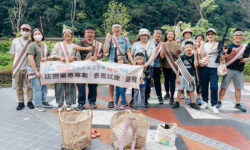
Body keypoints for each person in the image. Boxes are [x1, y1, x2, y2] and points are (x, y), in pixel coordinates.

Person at [51, 28, 86, 111]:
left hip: (70, 69)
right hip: (59, 69)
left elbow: (78, 57)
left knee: (70, 86)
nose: (67, 34)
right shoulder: (58, 45)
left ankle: (69, 104)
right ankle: (60, 104)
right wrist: (59, 57)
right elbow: (53, 55)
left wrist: (74, 58)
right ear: (63, 35)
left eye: (69, 33)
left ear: (71, 35)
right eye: (65, 33)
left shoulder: (75, 46)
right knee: (59, 86)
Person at [217, 28, 249, 112]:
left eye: (240, 35)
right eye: (236, 35)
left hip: (239, 70)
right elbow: (222, 58)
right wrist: (231, 53)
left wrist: (247, 59)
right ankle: (219, 101)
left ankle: (238, 104)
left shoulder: (245, 47)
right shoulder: (229, 46)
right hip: (228, 69)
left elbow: (248, 56)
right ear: (233, 36)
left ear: (243, 36)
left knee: (238, 88)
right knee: (223, 87)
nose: (238, 36)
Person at [103, 22, 134, 108]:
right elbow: (105, 51)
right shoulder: (110, 39)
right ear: (112, 29)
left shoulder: (125, 39)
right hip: (112, 63)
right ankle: (111, 100)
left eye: (118, 27)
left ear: (121, 29)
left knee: (124, 81)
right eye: (115, 27)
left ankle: (123, 99)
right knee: (111, 82)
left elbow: (128, 52)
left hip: (123, 63)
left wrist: (132, 63)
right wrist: (106, 38)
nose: (116, 29)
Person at [75, 26, 104, 110]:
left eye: (92, 32)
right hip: (82, 67)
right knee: (81, 85)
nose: (90, 34)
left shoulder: (97, 44)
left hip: (93, 68)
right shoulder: (81, 42)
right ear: (85, 33)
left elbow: (101, 54)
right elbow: (75, 48)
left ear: (94, 33)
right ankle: (81, 103)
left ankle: (92, 101)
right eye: (88, 32)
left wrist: (97, 57)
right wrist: (87, 48)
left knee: (93, 85)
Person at [26, 28, 52, 112]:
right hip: (35, 69)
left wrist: (47, 59)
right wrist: (36, 71)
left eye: (39, 33)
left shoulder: (45, 46)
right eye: (35, 34)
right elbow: (30, 58)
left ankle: (44, 101)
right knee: (37, 88)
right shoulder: (32, 45)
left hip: (44, 69)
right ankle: (37, 104)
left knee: (44, 87)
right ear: (33, 36)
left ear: (42, 35)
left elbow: (49, 56)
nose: (38, 35)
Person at [10, 24, 34, 111]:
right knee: (18, 86)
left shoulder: (32, 42)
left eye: (27, 30)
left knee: (30, 86)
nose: (25, 31)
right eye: (23, 29)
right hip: (18, 68)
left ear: (30, 32)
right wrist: (17, 65)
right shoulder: (15, 41)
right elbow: (13, 54)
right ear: (20, 30)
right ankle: (20, 102)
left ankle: (30, 101)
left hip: (28, 68)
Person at [131, 28, 158, 107]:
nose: (143, 37)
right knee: (134, 84)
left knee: (147, 84)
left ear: (148, 36)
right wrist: (132, 63)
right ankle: (133, 100)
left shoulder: (152, 44)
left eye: (145, 35)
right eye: (142, 35)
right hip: (137, 68)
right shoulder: (135, 44)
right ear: (139, 36)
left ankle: (145, 100)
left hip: (148, 68)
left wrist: (146, 64)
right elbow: (132, 55)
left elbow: (153, 55)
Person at [199, 28, 222, 113]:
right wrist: (201, 46)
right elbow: (201, 56)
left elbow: (222, 57)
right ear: (206, 36)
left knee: (214, 87)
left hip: (214, 69)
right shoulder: (204, 45)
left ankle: (213, 104)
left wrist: (223, 52)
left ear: (215, 35)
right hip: (204, 67)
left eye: (212, 34)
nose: (210, 35)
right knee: (204, 86)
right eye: (208, 34)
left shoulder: (218, 44)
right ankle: (205, 101)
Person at [172, 41, 200, 110]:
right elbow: (179, 67)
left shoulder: (194, 56)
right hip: (182, 75)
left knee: (191, 90)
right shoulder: (182, 57)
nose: (189, 48)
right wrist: (177, 77)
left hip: (191, 76)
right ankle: (177, 102)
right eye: (187, 47)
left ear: (192, 48)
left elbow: (196, 65)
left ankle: (192, 103)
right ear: (184, 49)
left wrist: (196, 55)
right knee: (180, 89)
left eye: (190, 47)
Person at [160, 30, 182, 104]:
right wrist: (163, 47)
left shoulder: (176, 43)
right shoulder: (163, 44)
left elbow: (180, 51)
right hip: (165, 64)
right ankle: (167, 93)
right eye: (168, 34)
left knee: (172, 81)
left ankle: (172, 96)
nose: (170, 35)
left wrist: (178, 45)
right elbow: (162, 55)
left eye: (171, 34)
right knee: (166, 80)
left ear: (173, 36)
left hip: (173, 65)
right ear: (166, 36)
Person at [151, 27, 164, 104]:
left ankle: (159, 96)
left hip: (157, 65)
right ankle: (146, 95)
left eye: (159, 34)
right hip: (149, 65)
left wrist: (162, 47)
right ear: (153, 34)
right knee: (147, 81)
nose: (158, 35)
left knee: (157, 82)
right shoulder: (149, 42)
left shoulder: (161, 44)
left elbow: (162, 56)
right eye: (156, 33)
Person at [193, 34, 205, 105]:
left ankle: (198, 96)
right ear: (195, 40)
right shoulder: (192, 47)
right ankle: (189, 96)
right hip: (193, 68)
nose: (199, 40)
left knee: (199, 82)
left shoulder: (204, 47)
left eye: (201, 39)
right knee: (191, 82)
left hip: (202, 67)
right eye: (198, 38)